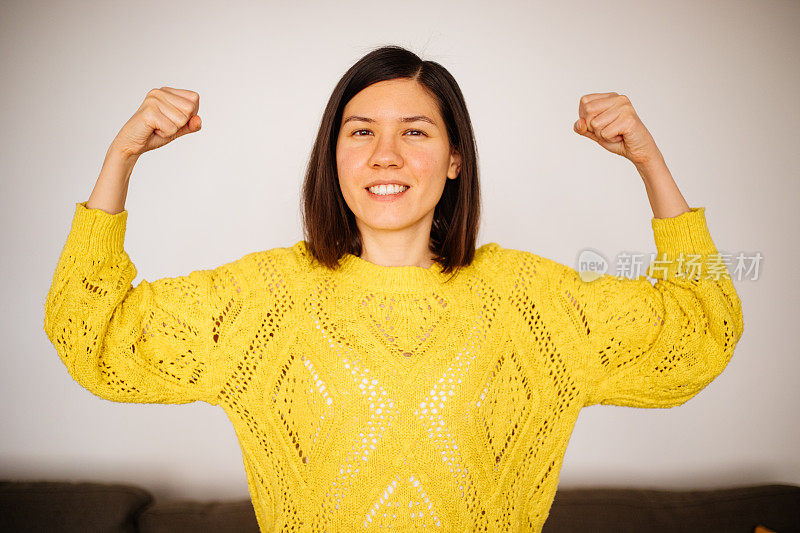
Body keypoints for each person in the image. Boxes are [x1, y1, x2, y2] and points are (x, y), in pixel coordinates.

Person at [43, 45, 744, 532]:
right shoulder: (265, 300)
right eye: (361, 132)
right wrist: (122, 155)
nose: (386, 154)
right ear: (335, 156)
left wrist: (649, 162)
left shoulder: (530, 300)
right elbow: (95, 334)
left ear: (454, 160)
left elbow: (700, 328)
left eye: (415, 131)